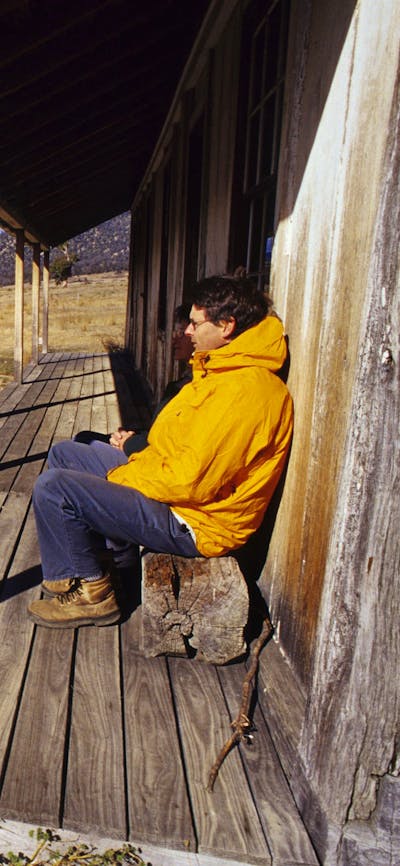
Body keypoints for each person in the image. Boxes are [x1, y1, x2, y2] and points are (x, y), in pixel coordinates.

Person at [28, 275, 294, 628]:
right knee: (66, 454)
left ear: (227, 326)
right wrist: (134, 461)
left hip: (196, 521)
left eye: (195, 323)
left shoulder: (246, 391)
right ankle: (110, 567)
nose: (187, 331)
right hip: (173, 486)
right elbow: (177, 452)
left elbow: (188, 482)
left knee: (55, 488)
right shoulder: (222, 371)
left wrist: (123, 476)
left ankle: (92, 594)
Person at [74, 304, 193, 456]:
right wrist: (129, 437)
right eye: (175, 332)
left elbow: (168, 444)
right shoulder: (185, 381)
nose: (174, 339)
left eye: (182, 332)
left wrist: (128, 443)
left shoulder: (193, 388)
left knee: (72, 447)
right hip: (143, 444)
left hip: (147, 457)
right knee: (84, 437)